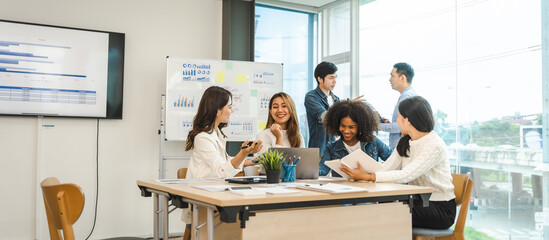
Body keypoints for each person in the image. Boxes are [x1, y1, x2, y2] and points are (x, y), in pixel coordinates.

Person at [340, 96, 456, 229]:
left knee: (388, 213)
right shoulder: (406, 141)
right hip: (418, 202)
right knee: (381, 209)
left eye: (399, 118)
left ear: (409, 121)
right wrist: (361, 173)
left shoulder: (434, 145)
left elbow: (406, 174)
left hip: (440, 208)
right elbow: (386, 168)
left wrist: (369, 177)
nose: (396, 122)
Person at [185, 86, 262, 179]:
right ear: (217, 110)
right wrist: (243, 153)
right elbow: (222, 171)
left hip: (212, 188)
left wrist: (247, 162)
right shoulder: (202, 138)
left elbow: (224, 161)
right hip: (201, 189)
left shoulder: (217, 133)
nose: (232, 111)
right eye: (229, 107)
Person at [319, 100, 392, 176]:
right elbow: (322, 170)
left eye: (351, 127)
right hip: (342, 187)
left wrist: (383, 167)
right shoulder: (332, 148)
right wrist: (308, 170)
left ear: (360, 127)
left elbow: (394, 160)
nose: (346, 131)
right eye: (343, 126)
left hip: (369, 187)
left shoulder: (373, 142)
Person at [304, 61, 341, 156]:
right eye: (331, 78)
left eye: (335, 77)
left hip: (335, 151)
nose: (335, 81)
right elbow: (324, 117)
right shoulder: (311, 97)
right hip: (319, 153)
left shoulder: (336, 99)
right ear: (320, 79)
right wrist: (345, 107)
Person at [380, 62, 418, 149]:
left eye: (392, 76)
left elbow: (400, 127)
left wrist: (377, 126)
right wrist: (389, 124)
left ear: (402, 78)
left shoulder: (406, 97)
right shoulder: (408, 95)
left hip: (402, 150)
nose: (390, 79)